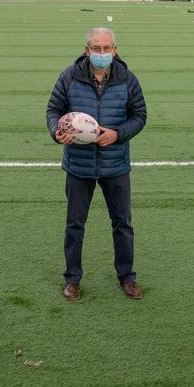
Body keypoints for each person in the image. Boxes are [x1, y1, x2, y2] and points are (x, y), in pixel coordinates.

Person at [47, 27, 147, 302]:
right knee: (75, 224)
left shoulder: (127, 79)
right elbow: (54, 110)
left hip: (116, 165)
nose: (102, 53)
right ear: (86, 49)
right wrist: (57, 131)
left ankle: (127, 277)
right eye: (96, 48)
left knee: (122, 223)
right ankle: (72, 279)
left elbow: (139, 116)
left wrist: (118, 134)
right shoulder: (69, 76)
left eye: (107, 48)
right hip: (79, 166)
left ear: (115, 50)